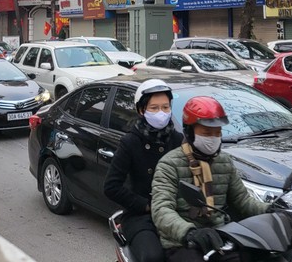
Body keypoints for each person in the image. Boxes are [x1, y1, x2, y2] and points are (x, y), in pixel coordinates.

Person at [151, 96, 270, 262]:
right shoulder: (169, 164)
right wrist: (189, 232)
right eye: (207, 133)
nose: (213, 138)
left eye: (218, 133)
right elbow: (161, 209)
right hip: (182, 241)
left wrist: (270, 210)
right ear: (190, 131)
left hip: (220, 234)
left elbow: (242, 201)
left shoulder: (225, 162)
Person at [104, 79, 183, 262]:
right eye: (154, 108)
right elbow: (111, 186)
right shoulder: (130, 142)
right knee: (152, 257)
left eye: (165, 107)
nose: (161, 113)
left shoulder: (178, 139)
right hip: (142, 217)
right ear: (141, 110)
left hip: (176, 213)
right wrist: (145, 205)